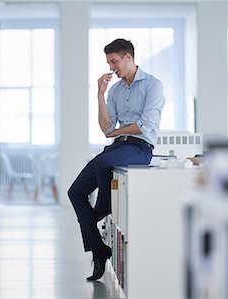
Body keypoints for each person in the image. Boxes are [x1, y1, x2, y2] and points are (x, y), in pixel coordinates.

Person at [68, 38, 165, 281]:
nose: (111, 67)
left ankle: (102, 209)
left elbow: (145, 126)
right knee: (75, 192)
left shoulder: (153, 85)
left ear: (128, 58)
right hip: (118, 147)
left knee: (103, 163)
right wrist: (100, 95)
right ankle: (100, 251)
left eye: (114, 62)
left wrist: (116, 132)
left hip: (141, 148)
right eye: (109, 62)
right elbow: (106, 127)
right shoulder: (115, 90)